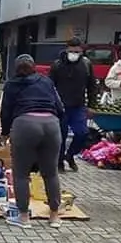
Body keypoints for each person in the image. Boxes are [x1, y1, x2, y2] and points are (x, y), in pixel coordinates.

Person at [0, 54, 66, 229]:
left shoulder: (12, 85)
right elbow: (60, 108)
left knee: (21, 173)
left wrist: (4, 134)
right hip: (51, 125)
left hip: (25, 125)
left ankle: (23, 218)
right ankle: (54, 217)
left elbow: (6, 112)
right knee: (50, 173)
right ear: (34, 67)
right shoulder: (46, 81)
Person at [49, 37, 98, 172]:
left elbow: (92, 86)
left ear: (81, 51)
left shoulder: (86, 64)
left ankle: (70, 155)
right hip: (60, 107)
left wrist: (92, 105)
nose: (74, 54)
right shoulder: (57, 65)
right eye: (71, 51)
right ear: (66, 49)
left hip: (78, 106)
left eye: (77, 51)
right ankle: (59, 162)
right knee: (61, 137)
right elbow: (49, 86)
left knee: (82, 133)